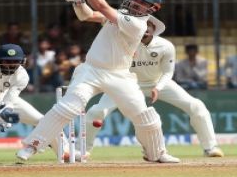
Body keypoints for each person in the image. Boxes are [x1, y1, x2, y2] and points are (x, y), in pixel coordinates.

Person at [16, 0, 180, 163]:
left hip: (119, 76)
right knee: (68, 107)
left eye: (143, 3)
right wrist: (78, 1)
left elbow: (102, 6)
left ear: (152, 9)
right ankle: (32, 145)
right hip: (91, 71)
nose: (136, 3)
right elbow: (86, 16)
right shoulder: (118, 16)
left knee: (144, 116)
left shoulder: (138, 25)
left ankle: (157, 154)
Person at [80, 17, 223, 158]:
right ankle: (83, 150)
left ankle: (210, 147)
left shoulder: (165, 46)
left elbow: (168, 72)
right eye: (142, 24)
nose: (146, 28)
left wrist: (158, 88)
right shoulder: (122, 43)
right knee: (96, 111)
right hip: (126, 84)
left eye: (149, 25)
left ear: (154, 29)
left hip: (158, 82)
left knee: (196, 106)